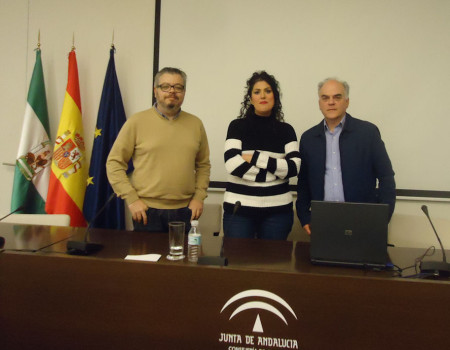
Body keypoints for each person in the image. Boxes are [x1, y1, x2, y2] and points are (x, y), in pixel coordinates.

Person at [106, 67, 210, 232]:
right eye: (165, 86)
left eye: (178, 87)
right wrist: (132, 199)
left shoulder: (195, 124)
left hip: (185, 211)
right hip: (147, 211)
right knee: (147, 257)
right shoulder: (137, 122)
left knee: (183, 258)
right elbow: (114, 163)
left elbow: (203, 165)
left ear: (184, 92)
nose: (172, 91)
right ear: (156, 91)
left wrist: (199, 197)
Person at [296, 77, 396, 235]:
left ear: (347, 102)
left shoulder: (368, 133)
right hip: (323, 220)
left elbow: (386, 177)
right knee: (321, 260)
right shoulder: (308, 138)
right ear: (319, 103)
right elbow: (303, 183)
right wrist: (304, 216)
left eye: (337, 97)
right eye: (325, 98)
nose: (331, 102)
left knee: (361, 260)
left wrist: (382, 219)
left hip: (363, 220)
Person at [223, 71, 300, 240]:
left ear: (275, 96)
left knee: (273, 265)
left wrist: (255, 158)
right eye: (257, 92)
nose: (262, 96)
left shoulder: (287, 130)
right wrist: (275, 171)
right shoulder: (237, 127)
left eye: (268, 91)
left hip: (278, 213)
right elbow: (232, 164)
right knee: (238, 263)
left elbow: (293, 168)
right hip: (239, 211)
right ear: (250, 99)